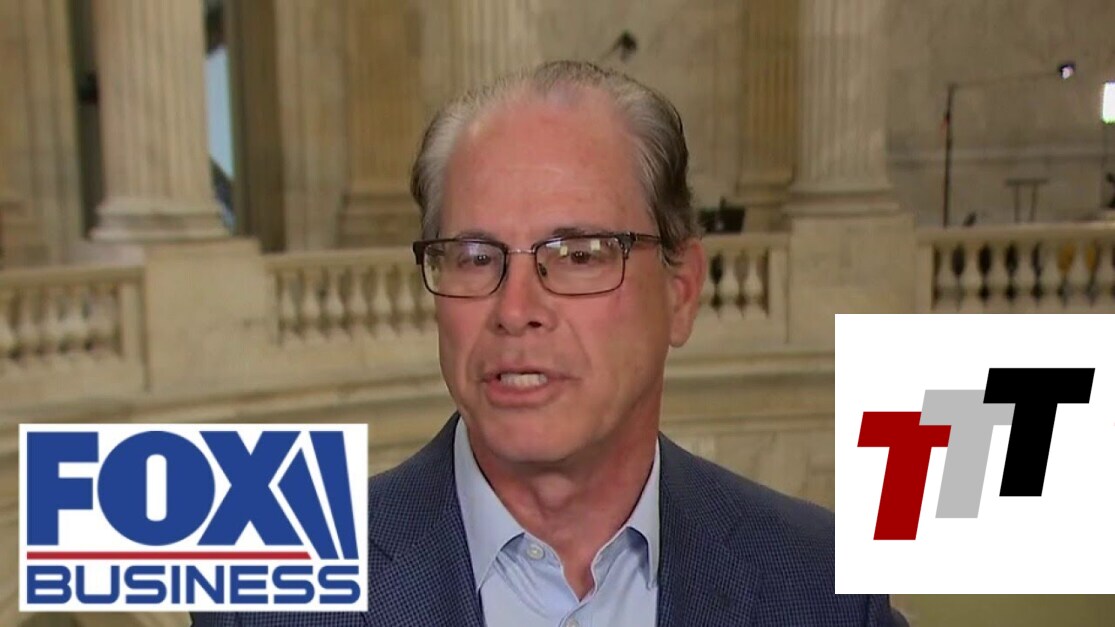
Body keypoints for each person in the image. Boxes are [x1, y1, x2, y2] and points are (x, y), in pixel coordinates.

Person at [193, 60, 897, 626]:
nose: (515, 310)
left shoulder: (824, 588)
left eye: (580, 254)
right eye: (474, 257)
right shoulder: (266, 604)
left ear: (680, 291)